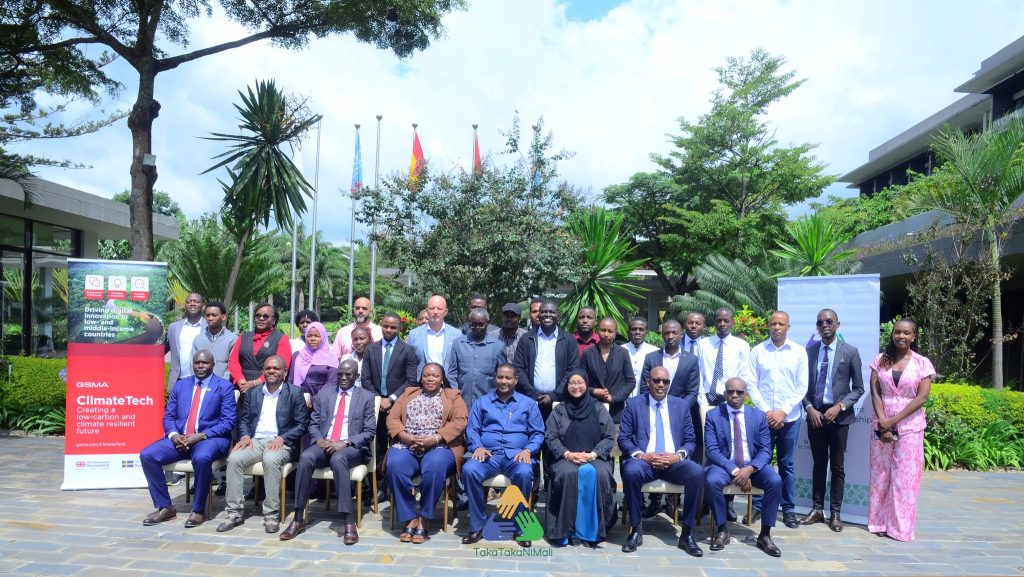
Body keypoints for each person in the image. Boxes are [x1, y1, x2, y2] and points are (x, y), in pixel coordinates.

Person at [280, 359, 376, 544]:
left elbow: (369, 431)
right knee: (306, 457)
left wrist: (345, 443)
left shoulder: (366, 397)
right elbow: (313, 423)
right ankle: (298, 518)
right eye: (340, 374)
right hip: (325, 443)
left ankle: (348, 520)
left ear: (357, 376)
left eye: (348, 374)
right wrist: (319, 440)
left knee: (338, 459)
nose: (343, 377)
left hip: (351, 447)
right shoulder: (325, 394)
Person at [139, 349, 236, 528]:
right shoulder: (181, 386)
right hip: (180, 439)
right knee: (147, 455)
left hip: (209, 439)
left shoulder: (224, 387)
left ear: (213, 365)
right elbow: (169, 416)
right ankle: (165, 507)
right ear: (192, 365)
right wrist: (174, 435)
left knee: (202, 458)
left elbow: (228, 422)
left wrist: (201, 435)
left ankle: (198, 510)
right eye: (197, 363)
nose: (200, 366)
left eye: (205, 363)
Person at [217, 355, 309, 534]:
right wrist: (245, 436)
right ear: (263, 371)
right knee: (234, 459)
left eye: (276, 368)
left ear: (285, 372)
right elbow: (244, 420)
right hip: (255, 441)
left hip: (281, 442)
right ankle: (234, 513)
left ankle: (271, 514)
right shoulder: (253, 392)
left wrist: (283, 437)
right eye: (268, 368)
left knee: (271, 460)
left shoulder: (294, 392)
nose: (271, 371)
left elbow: (302, 424)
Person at [619, 366, 704, 556]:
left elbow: (691, 440)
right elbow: (624, 438)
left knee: (697, 472)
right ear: (648, 382)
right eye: (656, 380)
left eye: (665, 381)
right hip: (644, 462)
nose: (660, 385)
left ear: (669, 384)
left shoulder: (681, 406)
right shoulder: (633, 404)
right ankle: (636, 530)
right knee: (630, 472)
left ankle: (687, 533)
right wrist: (642, 456)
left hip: (673, 463)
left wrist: (677, 456)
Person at [461, 364, 545, 547]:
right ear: (495, 378)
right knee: (469, 470)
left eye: (508, 378)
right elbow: (472, 429)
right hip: (488, 456)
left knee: (524, 473)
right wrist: (477, 447)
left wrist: (528, 450)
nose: (503, 381)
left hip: (517, 456)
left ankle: (520, 527)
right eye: (500, 377)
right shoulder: (482, 403)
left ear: (516, 380)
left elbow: (538, 433)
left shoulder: (528, 404)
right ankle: (477, 526)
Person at [386, 363, 468, 543]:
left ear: (442, 379)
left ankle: (424, 518)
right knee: (394, 465)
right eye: (426, 375)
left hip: (440, 447)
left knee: (434, 468)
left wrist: (436, 438)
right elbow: (392, 418)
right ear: (421, 378)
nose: (430, 379)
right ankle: (409, 517)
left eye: (435, 376)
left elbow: (460, 421)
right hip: (407, 445)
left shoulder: (453, 396)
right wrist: (405, 437)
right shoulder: (408, 393)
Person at [868, 318, 933, 542]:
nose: (901, 336)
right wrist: (883, 421)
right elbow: (875, 392)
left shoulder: (922, 363)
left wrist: (894, 420)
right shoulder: (880, 360)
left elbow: (922, 397)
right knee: (880, 475)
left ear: (914, 336)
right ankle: (878, 522)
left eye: (906, 333)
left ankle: (900, 529)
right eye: (897, 332)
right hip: (881, 424)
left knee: (905, 478)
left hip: (910, 427)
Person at [703, 377, 783, 557]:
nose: (734, 395)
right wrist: (736, 471)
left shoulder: (759, 416)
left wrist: (749, 470)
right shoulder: (713, 415)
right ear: (725, 394)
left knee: (775, 481)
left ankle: (765, 535)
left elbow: (765, 450)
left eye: (739, 392)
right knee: (711, 481)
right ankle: (722, 530)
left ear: (746, 395)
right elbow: (712, 450)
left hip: (752, 466)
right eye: (730, 392)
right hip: (724, 466)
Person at [801, 309, 864, 532]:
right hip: (815, 415)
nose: (824, 325)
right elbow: (800, 387)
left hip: (839, 417)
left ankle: (835, 513)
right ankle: (817, 509)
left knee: (837, 466)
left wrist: (839, 407)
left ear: (838, 324)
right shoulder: (809, 352)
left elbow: (858, 388)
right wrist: (809, 408)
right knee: (818, 464)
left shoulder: (850, 352)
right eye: (820, 322)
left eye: (829, 321)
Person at [746, 311, 808, 529]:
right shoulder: (758, 351)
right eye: (773, 324)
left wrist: (783, 412)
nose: (777, 327)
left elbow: (802, 386)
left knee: (786, 464)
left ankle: (788, 509)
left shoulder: (799, 352)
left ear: (788, 327)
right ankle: (757, 505)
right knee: (759, 463)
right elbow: (751, 384)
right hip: (763, 418)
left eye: (781, 324)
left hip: (790, 418)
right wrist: (767, 412)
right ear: (768, 326)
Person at [544, 370, 616, 547]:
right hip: (565, 457)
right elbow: (551, 436)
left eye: (580, 382)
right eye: (572, 383)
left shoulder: (598, 407)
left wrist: (593, 454)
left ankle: (593, 531)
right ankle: (566, 531)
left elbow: (609, 436)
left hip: (595, 457)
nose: (576, 386)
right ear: (567, 386)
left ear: (586, 384)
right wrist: (567, 454)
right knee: (567, 473)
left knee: (599, 474)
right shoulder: (560, 409)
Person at [695, 307, 751, 522]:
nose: (722, 324)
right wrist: (701, 398)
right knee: (707, 452)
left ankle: (727, 503)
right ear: (714, 322)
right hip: (706, 401)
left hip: (730, 401)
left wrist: (734, 399)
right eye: (719, 320)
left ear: (732, 322)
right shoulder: (703, 344)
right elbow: (698, 373)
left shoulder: (741, 345)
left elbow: (743, 375)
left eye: (726, 320)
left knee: (730, 450)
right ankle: (706, 500)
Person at [513, 299, 581, 413]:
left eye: (552, 312)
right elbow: (518, 368)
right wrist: (533, 394)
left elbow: (573, 369)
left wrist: (553, 396)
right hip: (530, 401)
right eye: (544, 312)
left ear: (558, 315)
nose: (548, 315)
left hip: (560, 402)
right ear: (539, 315)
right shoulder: (526, 339)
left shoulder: (569, 340)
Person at [446, 308, 507, 412]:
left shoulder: (497, 346)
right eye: (473, 324)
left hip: (489, 403)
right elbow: (452, 373)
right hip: (462, 402)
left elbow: (503, 376)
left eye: (481, 324)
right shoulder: (458, 344)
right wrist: (456, 394)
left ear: (488, 323)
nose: (477, 327)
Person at [228, 304, 292, 394]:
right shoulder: (243, 337)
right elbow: (233, 361)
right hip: (242, 387)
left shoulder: (281, 338)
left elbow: (282, 366)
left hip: (269, 388)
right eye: (258, 315)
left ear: (274, 320)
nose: (261, 318)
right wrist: (240, 380)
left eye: (266, 316)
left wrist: (255, 383)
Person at [582, 317, 636, 423]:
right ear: (598, 331)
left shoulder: (623, 353)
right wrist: (593, 391)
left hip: (616, 412)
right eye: (603, 330)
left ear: (615, 333)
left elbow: (631, 382)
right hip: (592, 409)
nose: (606, 334)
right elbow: (580, 381)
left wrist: (614, 398)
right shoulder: (588, 353)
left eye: (610, 331)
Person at [407, 295, 462, 378]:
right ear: (427, 310)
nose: (435, 312)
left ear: (445, 312)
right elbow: (409, 363)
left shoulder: (456, 334)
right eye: (432, 308)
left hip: (448, 383)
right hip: (421, 382)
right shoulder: (414, 334)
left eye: (439, 308)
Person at [166, 292, 206, 391]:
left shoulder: (209, 327)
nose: (192, 304)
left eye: (196, 301)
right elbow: (162, 349)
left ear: (203, 306)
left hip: (203, 381)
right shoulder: (173, 327)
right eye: (189, 302)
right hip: (178, 380)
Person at [288, 322, 339, 399]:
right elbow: (291, 380)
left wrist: (313, 400)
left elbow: (332, 383)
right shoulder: (298, 355)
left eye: (317, 336)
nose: (313, 339)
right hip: (299, 399)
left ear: (323, 337)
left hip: (323, 400)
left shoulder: (331, 357)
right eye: (309, 336)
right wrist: (299, 399)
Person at [191, 301, 237, 380]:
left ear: (223, 317)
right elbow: (193, 363)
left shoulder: (232, 339)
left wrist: (222, 383)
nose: (210, 318)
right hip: (201, 383)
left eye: (214, 315)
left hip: (223, 384)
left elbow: (233, 364)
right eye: (207, 315)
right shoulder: (198, 339)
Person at [621, 317, 657, 400]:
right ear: (628, 332)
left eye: (641, 329)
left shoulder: (655, 352)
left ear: (647, 332)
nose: (637, 332)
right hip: (622, 400)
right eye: (634, 329)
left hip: (646, 400)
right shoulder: (619, 350)